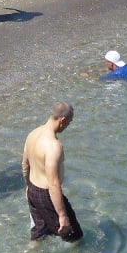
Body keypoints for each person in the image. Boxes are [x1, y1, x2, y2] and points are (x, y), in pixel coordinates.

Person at [21, 101, 83, 243]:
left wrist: (28, 186)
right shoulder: (53, 146)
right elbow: (53, 184)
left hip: (32, 191)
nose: (67, 126)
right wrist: (62, 215)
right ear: (63, 120)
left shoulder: (32, 134)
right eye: (69, 123)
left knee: (39, 235)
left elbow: (25, 164)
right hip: (46, 195)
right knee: (75, 237)